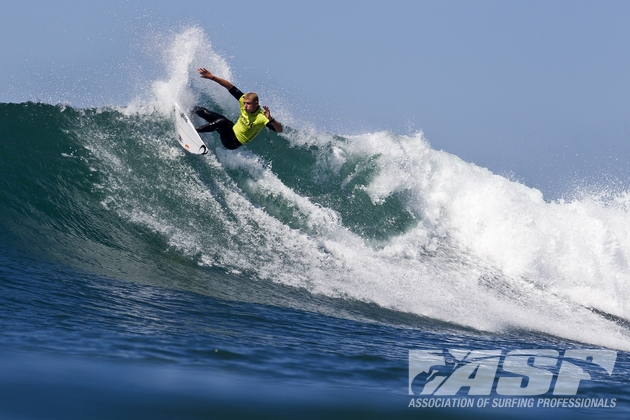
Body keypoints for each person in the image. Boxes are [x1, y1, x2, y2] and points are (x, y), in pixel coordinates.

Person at [193, 67, 283, 150]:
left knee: (222, 122)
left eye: (248, 104)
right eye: (244, 103)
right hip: (231, 130)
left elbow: (279, 130)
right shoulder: (243, 99)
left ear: (256, 104)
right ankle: (189, 109)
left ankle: (195, 130)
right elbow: (229, 86)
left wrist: (271, 119)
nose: (245, 106)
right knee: (203, 111)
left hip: (233, 142)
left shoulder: (261, 117)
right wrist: (212, 77)